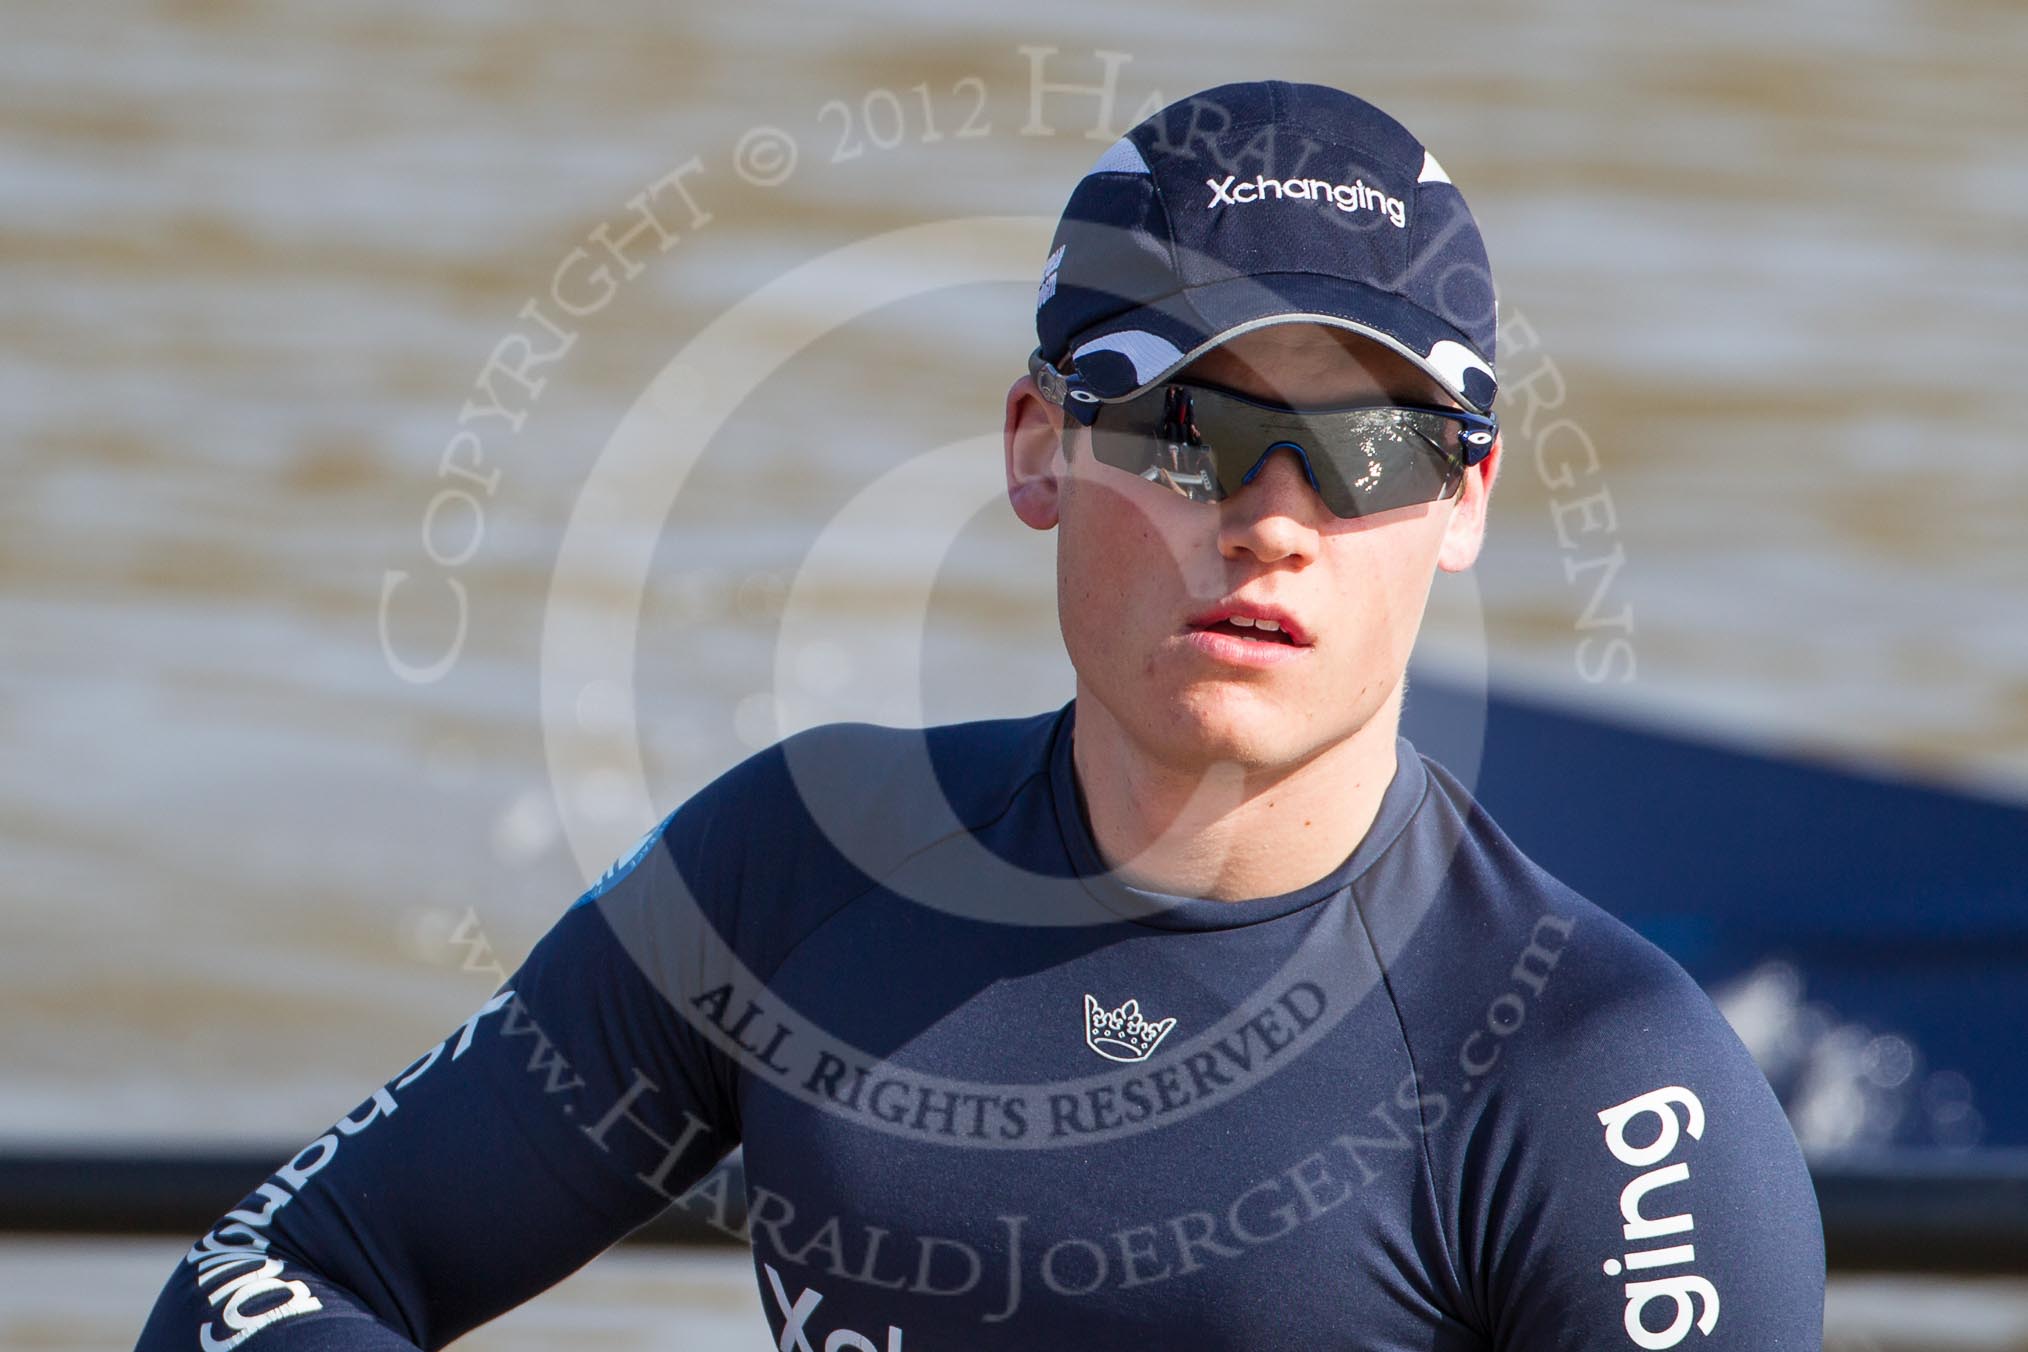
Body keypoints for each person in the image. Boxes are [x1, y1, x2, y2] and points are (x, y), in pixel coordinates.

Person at [138, 81, 1824, 1352]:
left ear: (1463, 506)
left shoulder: (1604, 1090)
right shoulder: (790, 873)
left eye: (1374, 446)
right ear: (1037, 445)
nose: (1277, 519)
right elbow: (262, 1282)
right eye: (1193, 424)